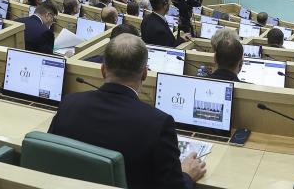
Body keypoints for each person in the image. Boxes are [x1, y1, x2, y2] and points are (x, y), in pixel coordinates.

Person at [49, 34, 206, 188]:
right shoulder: (158, 123)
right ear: (145, 73)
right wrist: (186, 175)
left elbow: (50, 156)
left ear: (103, 70)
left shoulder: (69, 104)